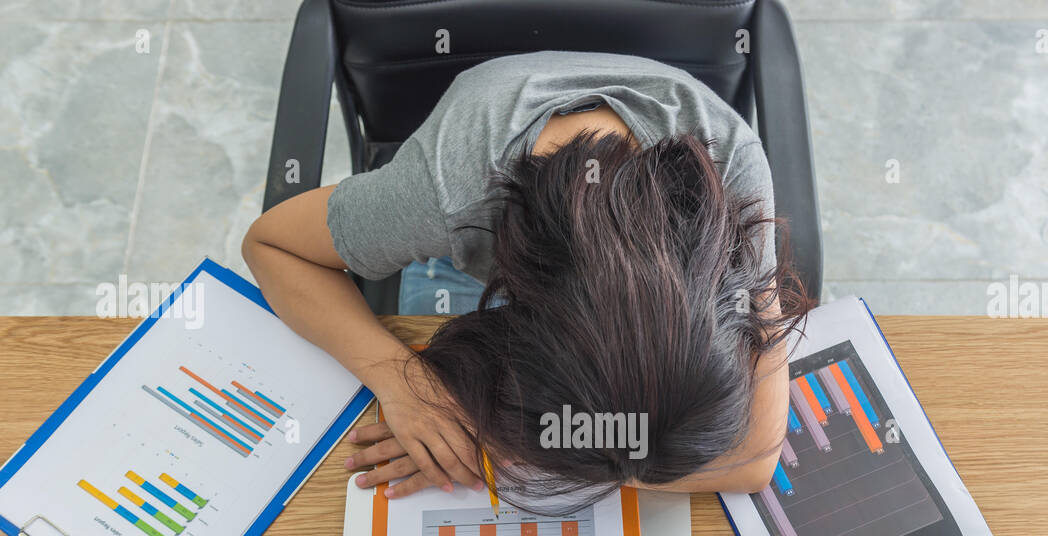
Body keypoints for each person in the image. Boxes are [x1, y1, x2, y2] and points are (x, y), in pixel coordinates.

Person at [242, 51, 813, 508]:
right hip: (486, 220)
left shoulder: (733, 199)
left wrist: (524, 447)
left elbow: (756, 462)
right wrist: (400, 380)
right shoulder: (446, 194)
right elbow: (269, 246)